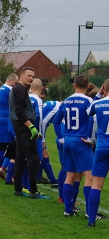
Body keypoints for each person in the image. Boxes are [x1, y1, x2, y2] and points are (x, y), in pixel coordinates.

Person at [53, 74, 94, 216]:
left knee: (70, 175)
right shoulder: (89, 100)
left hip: (68, 140)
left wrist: (61, 138)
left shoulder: (65, 101)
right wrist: (91, 138)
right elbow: (94, 120)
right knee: (89, 175)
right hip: (81, 141)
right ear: (88, 86)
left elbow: (56, 121)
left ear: (74, 85)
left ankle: (67, 210)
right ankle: (90, 212)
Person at [9, 67, 50, 199]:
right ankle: (33, 190)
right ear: (21, 75)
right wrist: (31, 127)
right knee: (33, 158)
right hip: (23, 126)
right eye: (29, 76)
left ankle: (18, 189)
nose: (31, 79)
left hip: (18, 125)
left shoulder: (16, 89)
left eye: (33, 76)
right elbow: (20, 111)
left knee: (20, 157)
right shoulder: (20, 90)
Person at [86, 81, 109, 227]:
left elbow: (88, 111)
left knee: (96, 184)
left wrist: (99, 94)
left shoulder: (98, 103)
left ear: (104, 89)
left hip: (102, 148)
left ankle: (91, 220)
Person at [0, 73, 19, 178]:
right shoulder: (8, 90)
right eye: (15, 83)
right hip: (5, 120)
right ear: (10, 81)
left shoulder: (1, 89)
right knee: (5, 147)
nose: (16, 85)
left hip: (0, 119)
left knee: (5, 146)